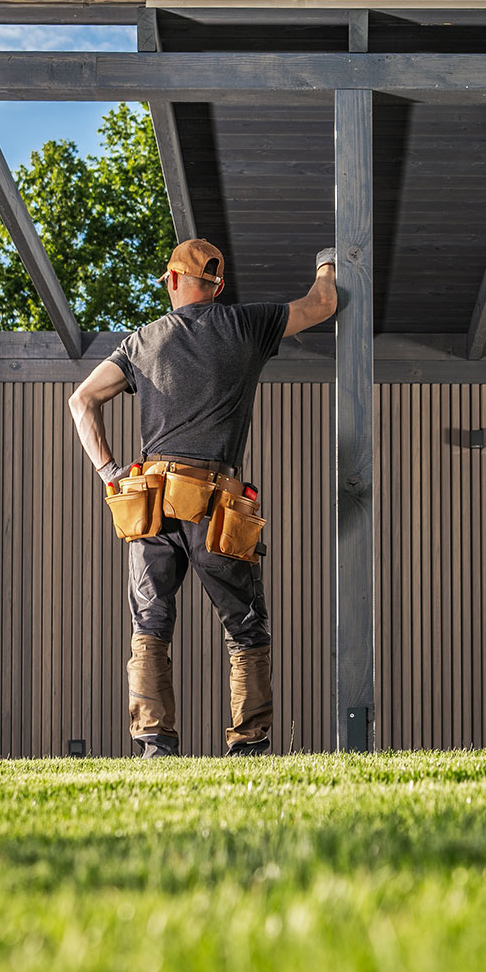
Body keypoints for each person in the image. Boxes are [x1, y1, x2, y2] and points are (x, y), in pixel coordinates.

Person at [67, 238, 339, 757]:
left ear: (172, 280)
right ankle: (249, 744)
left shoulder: (141, 342)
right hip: (217, 503)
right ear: (218, 285)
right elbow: (321, 304)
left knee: (150, 624)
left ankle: (155, 745)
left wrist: (110, 474)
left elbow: (81, 401)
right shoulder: (246, 324)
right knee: (245, 625)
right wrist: (327, 261)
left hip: (152, 502)